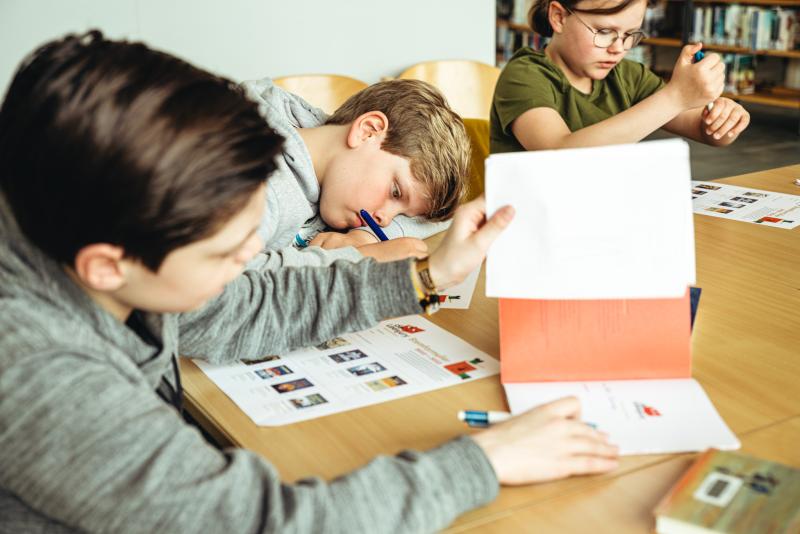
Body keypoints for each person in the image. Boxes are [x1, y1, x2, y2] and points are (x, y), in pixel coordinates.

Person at [0, 32, 618, 533]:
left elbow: (234, 305)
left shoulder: (103, 244)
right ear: (106, 266)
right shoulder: (39, 372)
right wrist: (483, 462)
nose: (249, 259)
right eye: (225, 253)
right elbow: (262, 523)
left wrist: (425, 275)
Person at [241, 76, 470, 268]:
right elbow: (227, 291)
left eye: (402, 214)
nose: (384, 220)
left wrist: (364, 236)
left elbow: (438, 221)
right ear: (368, 132)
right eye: (395, 192)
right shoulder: (255, 186)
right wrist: (359, 257)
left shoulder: (334, 162)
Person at [490, 0, 751, 154]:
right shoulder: (524, 74)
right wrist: (675, 97)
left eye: (630, 35)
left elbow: (706, 132)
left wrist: (726, 118)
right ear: (559, 17)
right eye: (604, 31)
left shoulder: (627, 75)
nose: (619, 48)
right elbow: (560, 154)